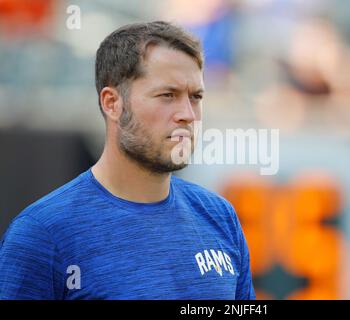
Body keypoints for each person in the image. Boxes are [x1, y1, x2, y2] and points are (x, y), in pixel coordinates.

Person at [0, 21, 256, 300]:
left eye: (195, 97)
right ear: (112, 103)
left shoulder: (219, 217)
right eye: (167, 95)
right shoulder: (43, 233)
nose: (188, 114)